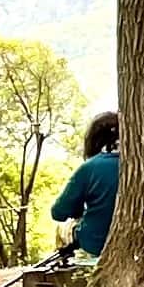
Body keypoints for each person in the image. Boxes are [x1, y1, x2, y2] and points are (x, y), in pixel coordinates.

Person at [50, 110, 123, 264]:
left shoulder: (90, 168)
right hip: (134, 241)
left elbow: (58, 212)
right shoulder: (141, 165)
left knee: (63, 229)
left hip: (96, 245)